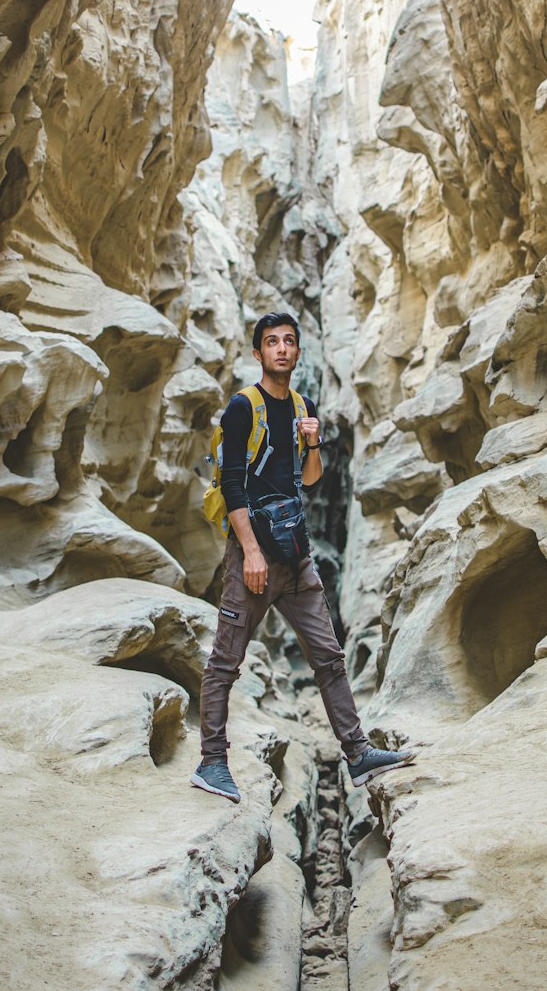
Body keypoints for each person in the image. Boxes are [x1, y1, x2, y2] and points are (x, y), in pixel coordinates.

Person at [191, 311, 416, 803]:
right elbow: (232, 485)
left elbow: (310, 480)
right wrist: (249, 552)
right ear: (258, 354)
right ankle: (211, 762)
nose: (281, 349)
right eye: (271, 342)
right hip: (254, 556)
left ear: (297, 351)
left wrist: (313, 439)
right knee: (225, 661)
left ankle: (357, 754)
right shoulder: (240, 408)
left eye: (289, 341)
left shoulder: (302, 405)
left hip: (297, 556)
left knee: (329, 657)